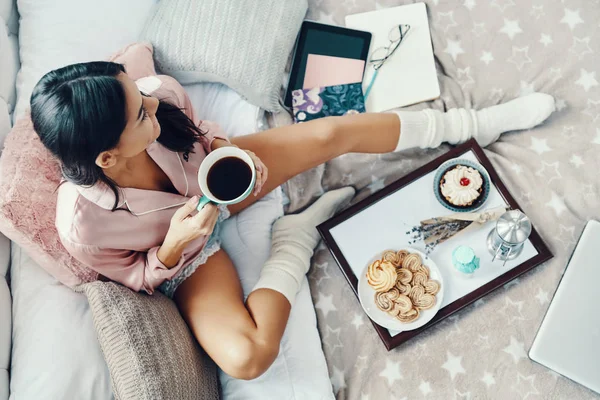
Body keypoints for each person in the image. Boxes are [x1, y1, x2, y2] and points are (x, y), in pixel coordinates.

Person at [30, 61, 555, 380]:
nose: (151, 100)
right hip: (190, 257)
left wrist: (221, 151)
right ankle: (295, 237)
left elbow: (200, 132)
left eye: (139, 93)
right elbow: (135, 275)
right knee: (248, 358)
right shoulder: (84, 226)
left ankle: (472, 124)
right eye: (139, 113)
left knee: (330, 134)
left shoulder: (159, 93)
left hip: (224, 174)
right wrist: (172, 247)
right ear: (105, 159)